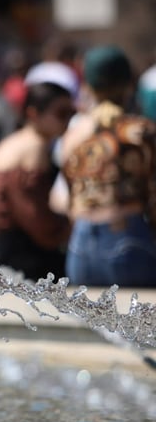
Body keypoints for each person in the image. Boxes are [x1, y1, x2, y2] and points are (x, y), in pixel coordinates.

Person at [60, 45, 156, 287]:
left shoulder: (73, 135)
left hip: (80, 243)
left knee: (90, 324)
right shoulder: (140, 131)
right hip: (127, 237)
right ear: (129, 84)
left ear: (89, 87)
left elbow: (68, 196)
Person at [0, 82, 74, 280]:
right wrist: (67, 229)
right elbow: (34, 215)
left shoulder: (16, 141)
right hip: (14, 254)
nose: (68, 120)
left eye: (72, 113)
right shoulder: (33, 148)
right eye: (61, 113)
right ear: (34, 113)